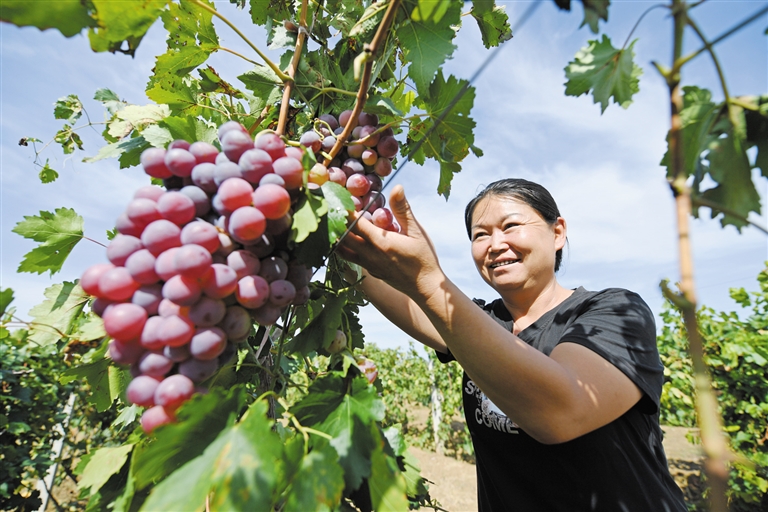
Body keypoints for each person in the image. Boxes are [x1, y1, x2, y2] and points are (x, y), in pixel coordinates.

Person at [338, 178, 687, 511]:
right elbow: (379, 284)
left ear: (558, 232)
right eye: (480, 235)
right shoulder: (479, 323)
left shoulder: (613, 312)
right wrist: (331, 218)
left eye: (510, 226)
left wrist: (428, 281)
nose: (495, 244)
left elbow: (561, 412)